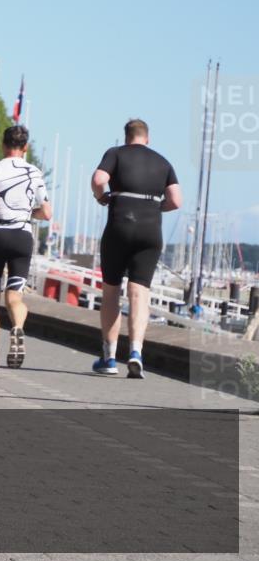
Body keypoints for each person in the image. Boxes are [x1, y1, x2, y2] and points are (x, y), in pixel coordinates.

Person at [90, 119, 181, 378]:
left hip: (119, 226)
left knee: (111, 291)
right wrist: (155, 207)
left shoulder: (115, 153)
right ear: (147, 138)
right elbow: (176, 200)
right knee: (139, 292)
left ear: (126, 136)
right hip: (150, 231)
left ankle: (108, 358)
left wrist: (102, 197)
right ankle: (136, 352)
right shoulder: (163, 162)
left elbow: (98, 179)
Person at [0, 126, 51, 375]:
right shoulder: (35, 171)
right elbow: (47, 213)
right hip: (22, 236)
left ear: (3, 145)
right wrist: (30, 213)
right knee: (14, 297)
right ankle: (17, 325)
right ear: (26, 147)